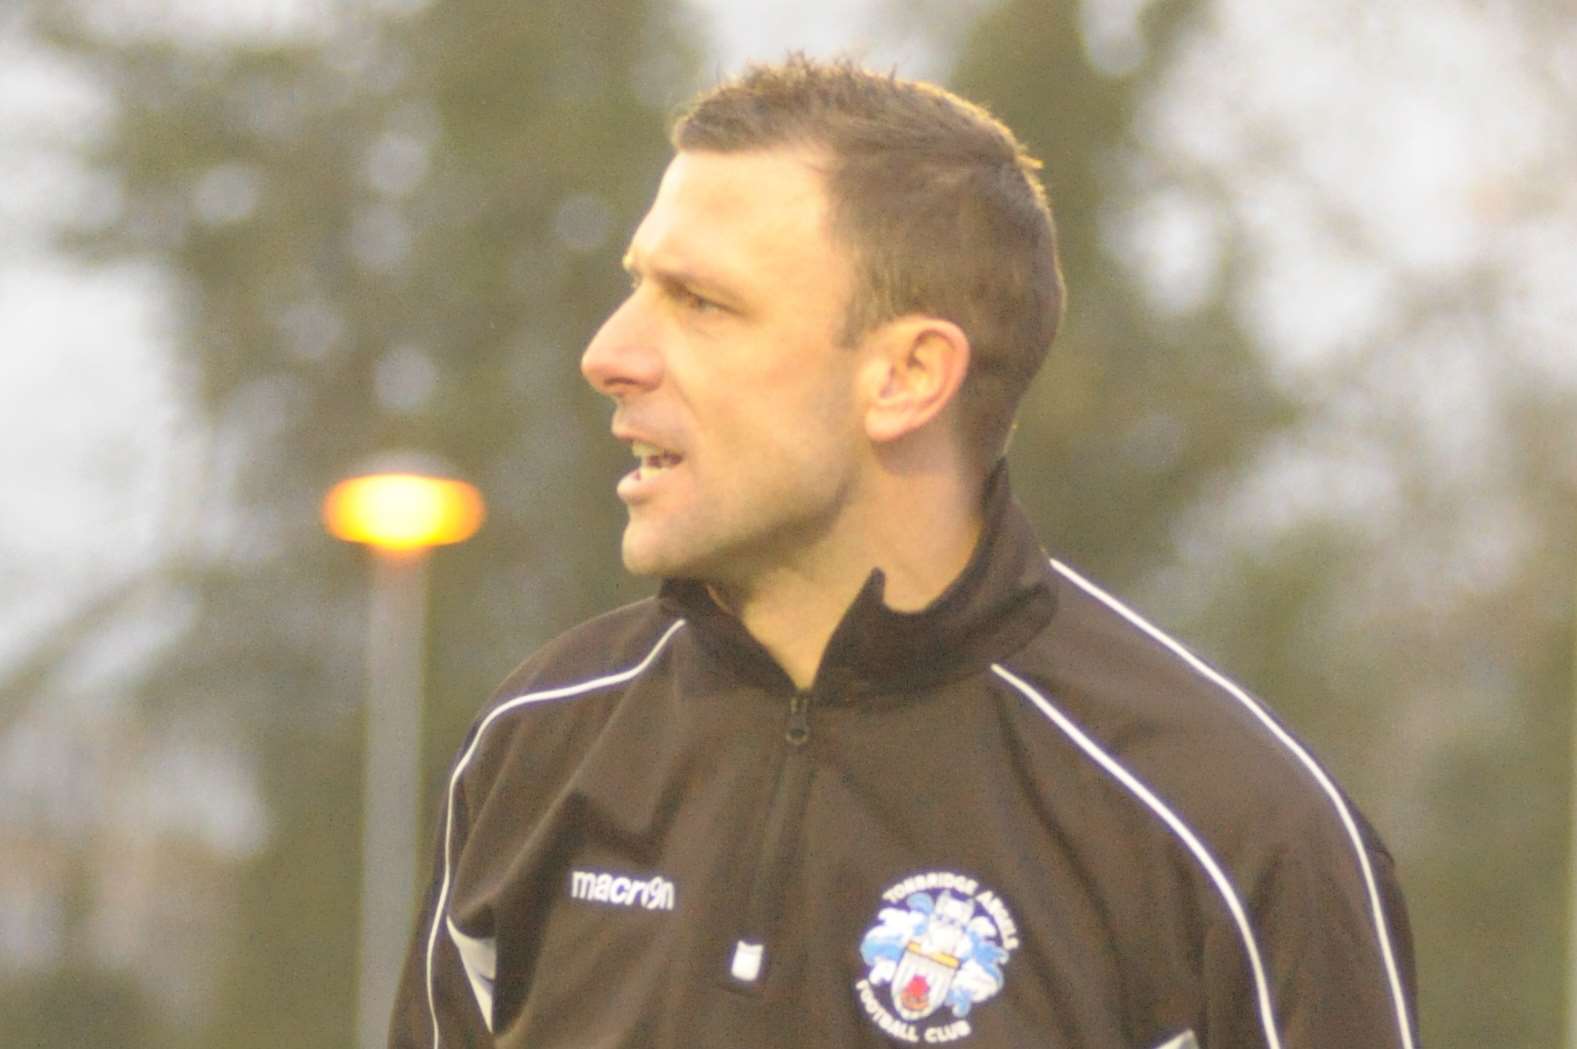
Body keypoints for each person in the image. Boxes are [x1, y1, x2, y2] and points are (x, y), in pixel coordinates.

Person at [388, 56, 1418, 1049]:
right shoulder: (535, 745)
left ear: (907, 375)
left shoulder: (1231, 832)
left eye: (699, 302)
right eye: (638, 287)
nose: (609, 353)